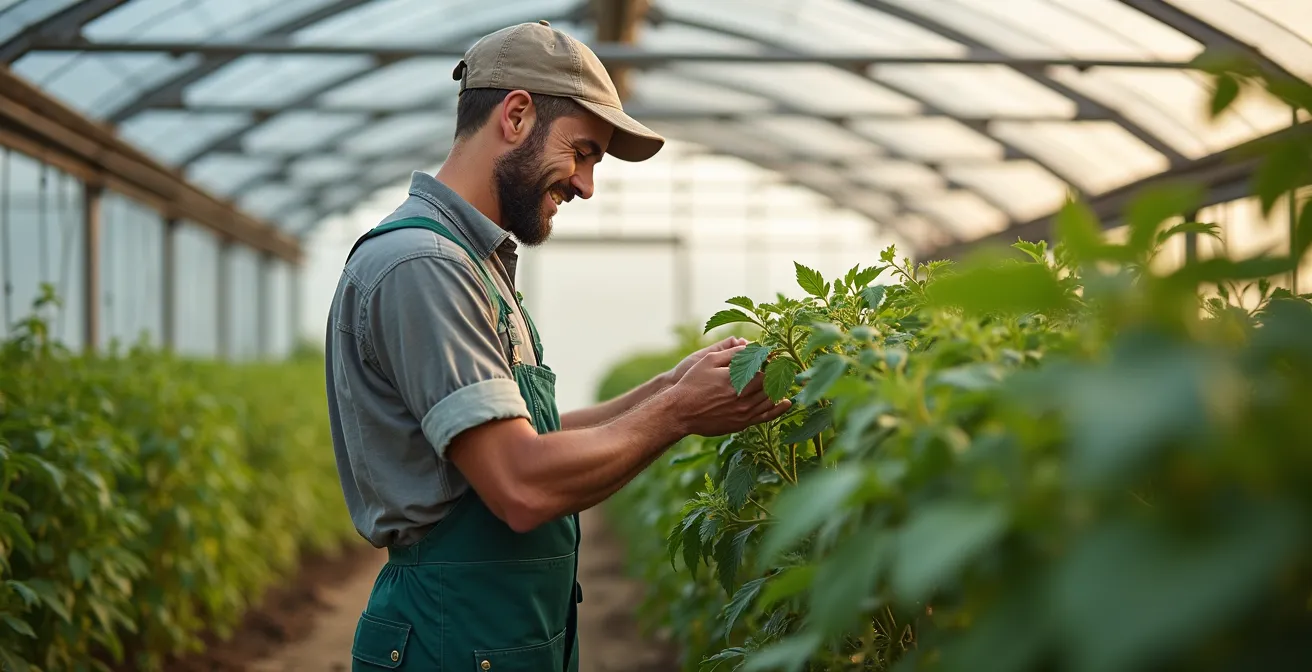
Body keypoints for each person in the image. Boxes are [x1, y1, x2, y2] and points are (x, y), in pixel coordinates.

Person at [324, 20, 790, 672]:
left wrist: (670, 385)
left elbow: (525, 440)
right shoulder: (422, 264)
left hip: (493, 631)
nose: (586, 184)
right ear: (515, 116)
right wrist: (679, 412)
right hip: (448, 636)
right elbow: (519, 482)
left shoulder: (472, 262)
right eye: (583, 152)